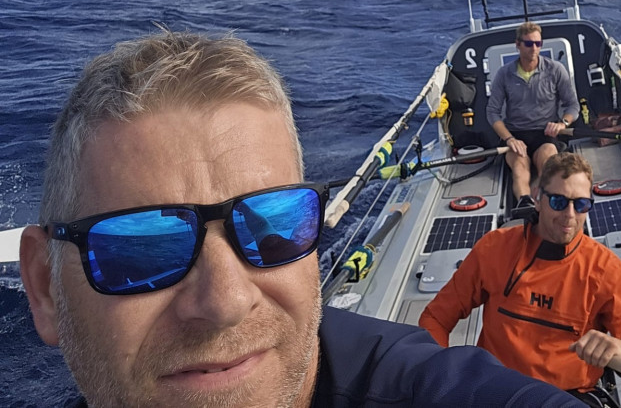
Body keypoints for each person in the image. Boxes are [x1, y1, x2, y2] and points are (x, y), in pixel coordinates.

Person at [18, 30, 584, 407]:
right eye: (145, 246)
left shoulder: (400, 379)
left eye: (272, 225)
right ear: (44, 288)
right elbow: (494, 114)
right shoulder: (504, 80)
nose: (226, 302)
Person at [418, 152, 621, 404]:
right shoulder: (494, 248)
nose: (570, 215)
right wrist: (441, 378)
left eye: (581, 204)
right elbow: (436, 318)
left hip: (566, 399)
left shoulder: (606, 271)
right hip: (494, 390)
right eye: (558, 202)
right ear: (537, 198)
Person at [486, 21, 579, 209]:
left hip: (545, 134)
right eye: (529, 44)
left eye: (538, 43)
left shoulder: (555, 70)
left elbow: (573, 106)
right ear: (518, 45)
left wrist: (562, 123)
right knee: (520, 166)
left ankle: (543, 202)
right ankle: (525, 203)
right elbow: (492, 112)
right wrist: (509, 139)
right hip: (516, 135)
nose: (534, 48)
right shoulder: (504, 74)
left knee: (548, 160)